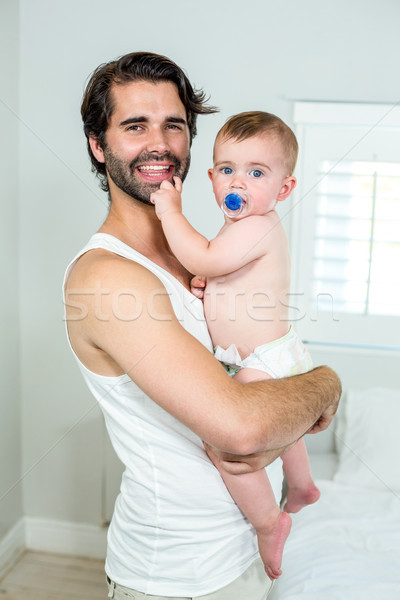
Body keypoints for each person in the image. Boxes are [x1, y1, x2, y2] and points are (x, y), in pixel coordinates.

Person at [64, 51, 341, 599]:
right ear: (98, 145)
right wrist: (327, 385)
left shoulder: (198, 254)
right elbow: (240, 432)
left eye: (174, 125)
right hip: (178, 577)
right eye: (134, 125)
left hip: (236, 557)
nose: (159, 143)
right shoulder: (108, 279)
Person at [151, 110, 321, 580]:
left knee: (228, 447)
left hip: (259, 358)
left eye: (257, 173)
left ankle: (269, 522)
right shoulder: (240, 228)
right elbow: (222, 270)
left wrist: (170, 211)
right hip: (266, 353)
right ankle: (303, 485)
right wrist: (212, 286)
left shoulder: (256, 225)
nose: (238, 182)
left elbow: (202, 255)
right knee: (285, 427)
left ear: (283, 189)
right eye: (227, 169)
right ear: (211, 176)